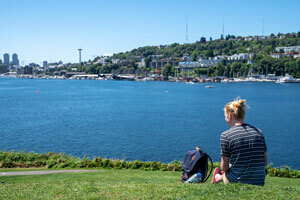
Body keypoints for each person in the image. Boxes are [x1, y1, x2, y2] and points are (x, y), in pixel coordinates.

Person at [212, 98, 268, 186]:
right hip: (259, 181)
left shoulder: (226, 135)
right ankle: (219, 177)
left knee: (228, 171)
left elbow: (224, 167)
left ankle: (217, 177)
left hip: (237, 181)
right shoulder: (259, 132)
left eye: (224, 115)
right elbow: (265, 162)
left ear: (229, 116)